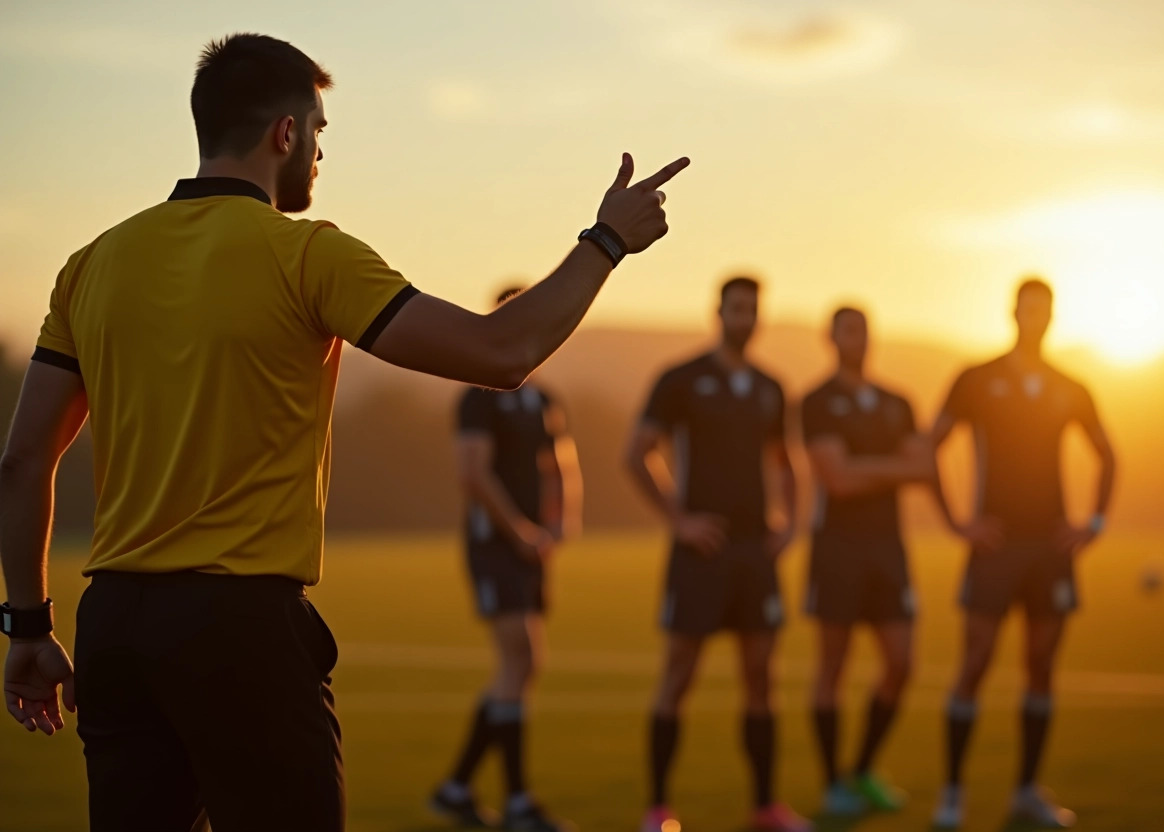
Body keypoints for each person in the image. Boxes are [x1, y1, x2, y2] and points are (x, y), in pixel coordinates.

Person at [0, 33, 687, 832]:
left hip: (114, 625)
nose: (321, 152)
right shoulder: (308, 255)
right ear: (284, 134)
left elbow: (22, 461)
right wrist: (606, 243)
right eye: (319, 131)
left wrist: (26, 627)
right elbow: (502, 353)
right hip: (242, 629)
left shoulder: (91, 264)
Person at [928, 278, 1117, 829]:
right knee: (976, 664)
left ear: (1052, 315)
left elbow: (1108, 454)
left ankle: (1026, 792)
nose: (1035, 317)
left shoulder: (1070, 386)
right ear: (1013, 312)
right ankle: (952, 794)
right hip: (995, 546)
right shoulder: (976, 379)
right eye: (1027, 307)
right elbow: (929, 448)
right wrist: (957, 522)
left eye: (1044, 309)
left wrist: (1095, 522)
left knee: (1040, 668)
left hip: (1050, 550)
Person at [625, 277, 809, 832]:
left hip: (756, 554)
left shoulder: (771, 387)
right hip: (701, 554)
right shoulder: (680, 380)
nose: (745, 317)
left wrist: (791, 522)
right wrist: (679, 521)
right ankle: (659, 809)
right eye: (737, 308)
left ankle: (765, 808)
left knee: (761, 678)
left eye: (753, 309)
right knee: (678, 676)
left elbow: (786, 461)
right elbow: (637, 455)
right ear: (719, 313)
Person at [430, 286, 583, 832]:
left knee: (520, 666)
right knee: (520, 656)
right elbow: (473, 473)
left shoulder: (543, 398)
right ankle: (517, 802)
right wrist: (518, 530)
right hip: (495, 545)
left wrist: (564, 515)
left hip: (529, 546)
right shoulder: (479, 395)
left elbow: (559, 461)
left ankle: (456, 788)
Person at [801, 307, 932, 816]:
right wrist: (893, 469)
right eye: (845, 329)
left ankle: (863, 770)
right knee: (833, 667)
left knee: (901, 664)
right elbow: (838, 480)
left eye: (862, 329)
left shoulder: (899, 402)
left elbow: (923, 468)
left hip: (888, 549)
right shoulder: (816, 402)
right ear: (829, 337)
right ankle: (833, 785)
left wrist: (866, 468)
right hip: (836, 547)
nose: (855, 338)